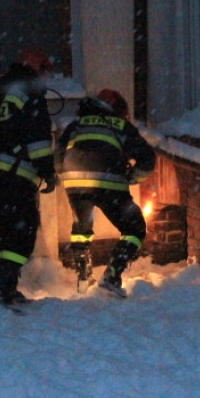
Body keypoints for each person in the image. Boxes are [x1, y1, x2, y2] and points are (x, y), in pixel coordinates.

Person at [0, 48, 57, 307]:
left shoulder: (0, 89)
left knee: (11, 231)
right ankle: (2, 289)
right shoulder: (31, 92)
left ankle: (5, 287)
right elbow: (38, 140)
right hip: (15, 174)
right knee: (23, 231)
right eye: (45, 71)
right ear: (38, 69)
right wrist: (47, 171)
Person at [55, 89, 155, 297]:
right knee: (134, 228)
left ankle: (83, 277)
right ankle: (111, 276)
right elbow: (147, 158)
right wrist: (133, 177)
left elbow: (58, 155)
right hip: (108, 181)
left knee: (82, 226)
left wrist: (66, 176)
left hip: (74, 181)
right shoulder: (119, 125)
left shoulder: (75, 125)